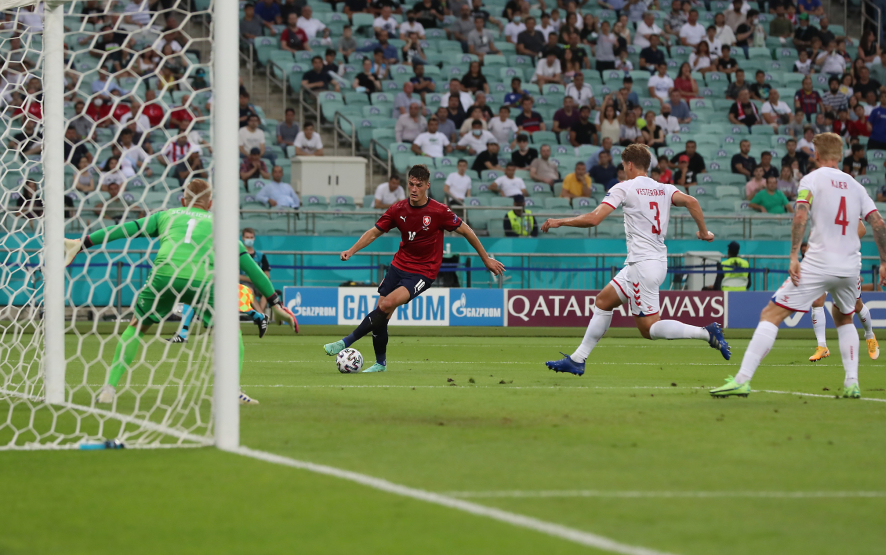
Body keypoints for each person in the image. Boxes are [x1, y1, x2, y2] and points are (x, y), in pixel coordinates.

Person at [63, 179, 298, 405]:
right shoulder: (220, 225)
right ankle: (232, 391)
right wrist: (275, 304)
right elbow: (253, 269)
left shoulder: (166, 215)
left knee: (137, 325)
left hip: (164, 274)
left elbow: (123, 230)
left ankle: (108, 390)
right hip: (202, 281)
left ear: (183, 202)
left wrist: (83, 243)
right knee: (230, 330)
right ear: (210, 204)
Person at [711, 133, 886, 399]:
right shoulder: (856, 187)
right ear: (839, 155)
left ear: (817, 155)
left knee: (771, 314)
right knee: (844, 318)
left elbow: (800, 215)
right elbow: (878, 223)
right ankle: (852, 383)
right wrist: (885, 262)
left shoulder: (811, 179)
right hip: (849, 266)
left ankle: (742, 380)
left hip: (818, 262)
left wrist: (794, 255)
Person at [542, 144, 729, 376]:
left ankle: (707, 333)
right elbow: (693, 202)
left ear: (629, 165)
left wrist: (561, 221)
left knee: (649, 329)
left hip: (642, 265)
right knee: (603, 301)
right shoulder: (664, 188)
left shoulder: (625, 187)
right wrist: (703, 232)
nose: (623, 170)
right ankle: (577, 359)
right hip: (650, 262)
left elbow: (594, 219)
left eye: (623, 166)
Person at [323, 165, 505, 372]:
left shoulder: (439, 211)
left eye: (419, 185)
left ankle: (345, 342)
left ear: (427, 186)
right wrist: (352, 250)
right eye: (411, 184)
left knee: (386, 304)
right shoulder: (398, 209)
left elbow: (467, 231)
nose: (414, 189)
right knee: (381, 314)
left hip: (423, 272)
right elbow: (374, 232)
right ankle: (380, 363)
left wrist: (485, 259)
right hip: (398, 266)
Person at [808, 227, 880, 362]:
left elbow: (862, 229)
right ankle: (822, 346)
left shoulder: (848, 212)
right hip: (825, 264)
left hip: (846, 264)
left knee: (857, 306)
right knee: (816, 301)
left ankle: (870, 336)